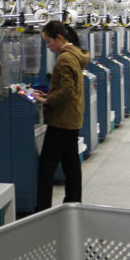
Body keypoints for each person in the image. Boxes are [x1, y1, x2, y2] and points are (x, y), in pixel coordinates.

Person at [32, 20, 89, 211]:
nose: (48, 47)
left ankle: (42, 209)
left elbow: (66, 90)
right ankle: (73, 202)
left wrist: (47, 101)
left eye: (49, 42)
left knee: (47, 165)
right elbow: (67, 88)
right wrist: (49, 94)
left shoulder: (64, 58)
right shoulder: (75, 55)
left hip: (62, 120)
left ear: (59, 38)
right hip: (72, 117)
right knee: (71, 163)